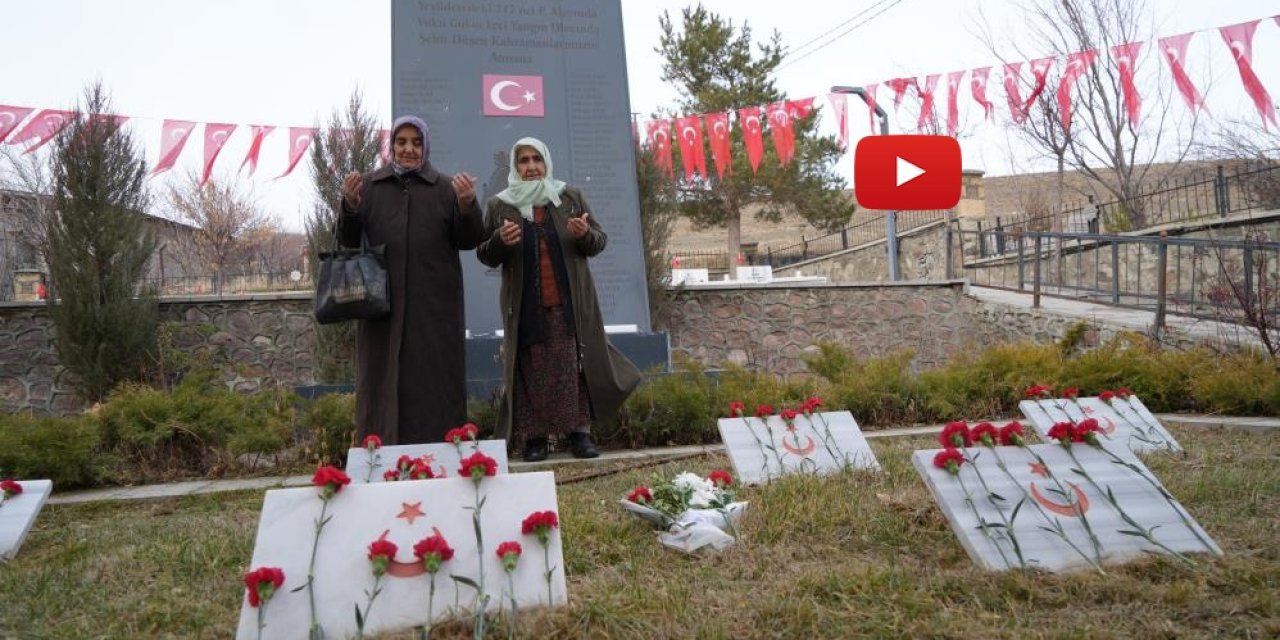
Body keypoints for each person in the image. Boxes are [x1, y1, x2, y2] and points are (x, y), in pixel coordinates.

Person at [476, 137, 641, 461]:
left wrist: (584, 234)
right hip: (524, 305)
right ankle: (535, 439)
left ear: (546, 162)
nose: (531, 166)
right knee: (532, 370)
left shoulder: (569, 197)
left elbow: (598, 242)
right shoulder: (500, 205)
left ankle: (579, 434)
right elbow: (485, 254)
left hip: (569, 304)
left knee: (572, 369)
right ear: (515, 166)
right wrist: (499, 241)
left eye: (536, 159)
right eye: (524, 160)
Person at [337, 115, 486, 445]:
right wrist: (350, 206)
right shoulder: (370, 186)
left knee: (434, 382)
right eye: (401, 142)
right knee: (381, 380)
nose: (408, 149)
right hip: (381, 308)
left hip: (434, 309)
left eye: (416, 143)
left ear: (426, 147)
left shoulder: (445, 188)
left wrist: (467, 206)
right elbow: (348, 239)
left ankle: (439, 455)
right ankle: (381, 453)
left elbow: (470, 239)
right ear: (391, 145)